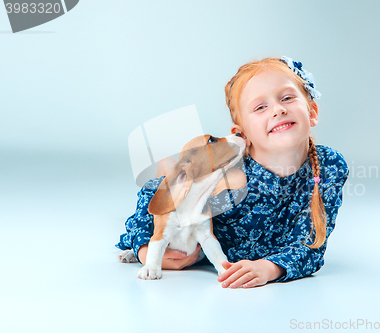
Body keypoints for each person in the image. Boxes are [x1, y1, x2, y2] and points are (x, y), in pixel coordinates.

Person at [115, 56, 349, 289]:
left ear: (312, 112)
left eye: (287, 98)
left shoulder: (329, 166)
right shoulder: (229, 169)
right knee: (167, 181)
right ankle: (164, 165)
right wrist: (146, 252)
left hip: (249, 258)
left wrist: (269, 268)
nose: (278, 110)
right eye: (260, 107)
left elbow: (311, 245)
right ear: (242, 134)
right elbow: (158, 195)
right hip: (198, 244)